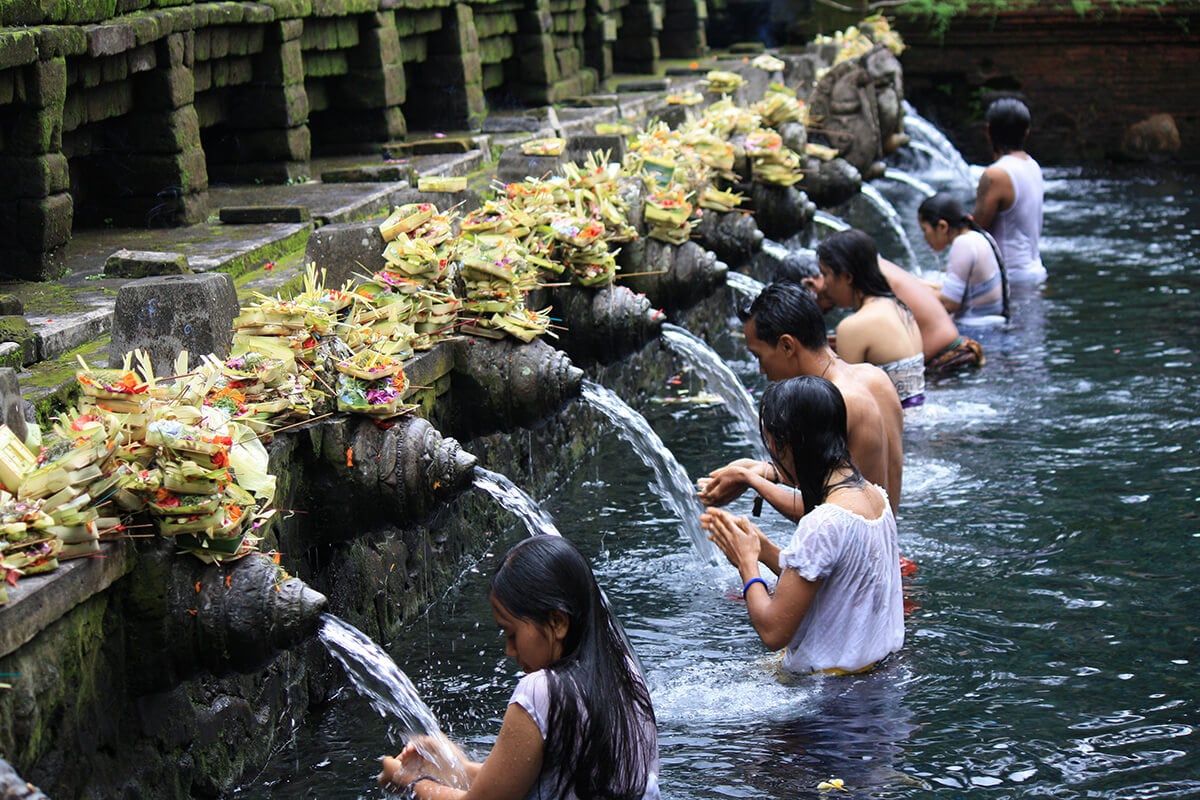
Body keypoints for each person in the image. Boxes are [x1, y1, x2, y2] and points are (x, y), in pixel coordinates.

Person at [378, 535, 661, 799]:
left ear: (558, 622)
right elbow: (525, 785)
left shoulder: (542, 691)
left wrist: (410, 781)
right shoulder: (624, 670)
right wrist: (454, 767)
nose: (509, 650)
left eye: (511, 633)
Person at [701, 376, 904, 675]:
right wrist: (764, 549)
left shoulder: (824, 522)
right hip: (877, 678)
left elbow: (773, 631)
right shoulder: (873, 496)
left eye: (771, 444)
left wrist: (745, 563)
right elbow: (833, 582)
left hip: (831, 704)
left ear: (785, 446)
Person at [698, 282, 903, 518]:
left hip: (861, 551)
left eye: (760, 356)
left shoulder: (839, 403)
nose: (762, 370)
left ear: (787, 345)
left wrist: (751, 480)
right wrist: (764, 471)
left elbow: (829, 515)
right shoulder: (875, 377)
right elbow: (854, 477)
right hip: (890, 549)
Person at [814, 229, 926, 408]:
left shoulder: (853, 327)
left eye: (825, 273)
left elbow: (845, 402)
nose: (824, 285)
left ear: (846, 277)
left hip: (895, 430)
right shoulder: (900, 307)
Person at [974, 97, 1045, 286]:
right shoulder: (1033, 166)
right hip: (1034, 270)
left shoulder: (996, 175)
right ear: (1026, 133)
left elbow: (977, 231)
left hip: (1007, 278)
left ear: (988, 132)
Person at [876, 257, 986, 376]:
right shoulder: (888, 270)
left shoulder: (875, 275)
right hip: (957, 351)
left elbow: (950, 303)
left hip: (941, 362)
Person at [917, 192, 1009, 324]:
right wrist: (916, 283)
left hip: (977, 329)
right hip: (990, 325)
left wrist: (907, 291)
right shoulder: (979, 236)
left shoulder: (963, 244)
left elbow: (949, 303)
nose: (924, 238)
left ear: (942, 226)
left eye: (924, 230)